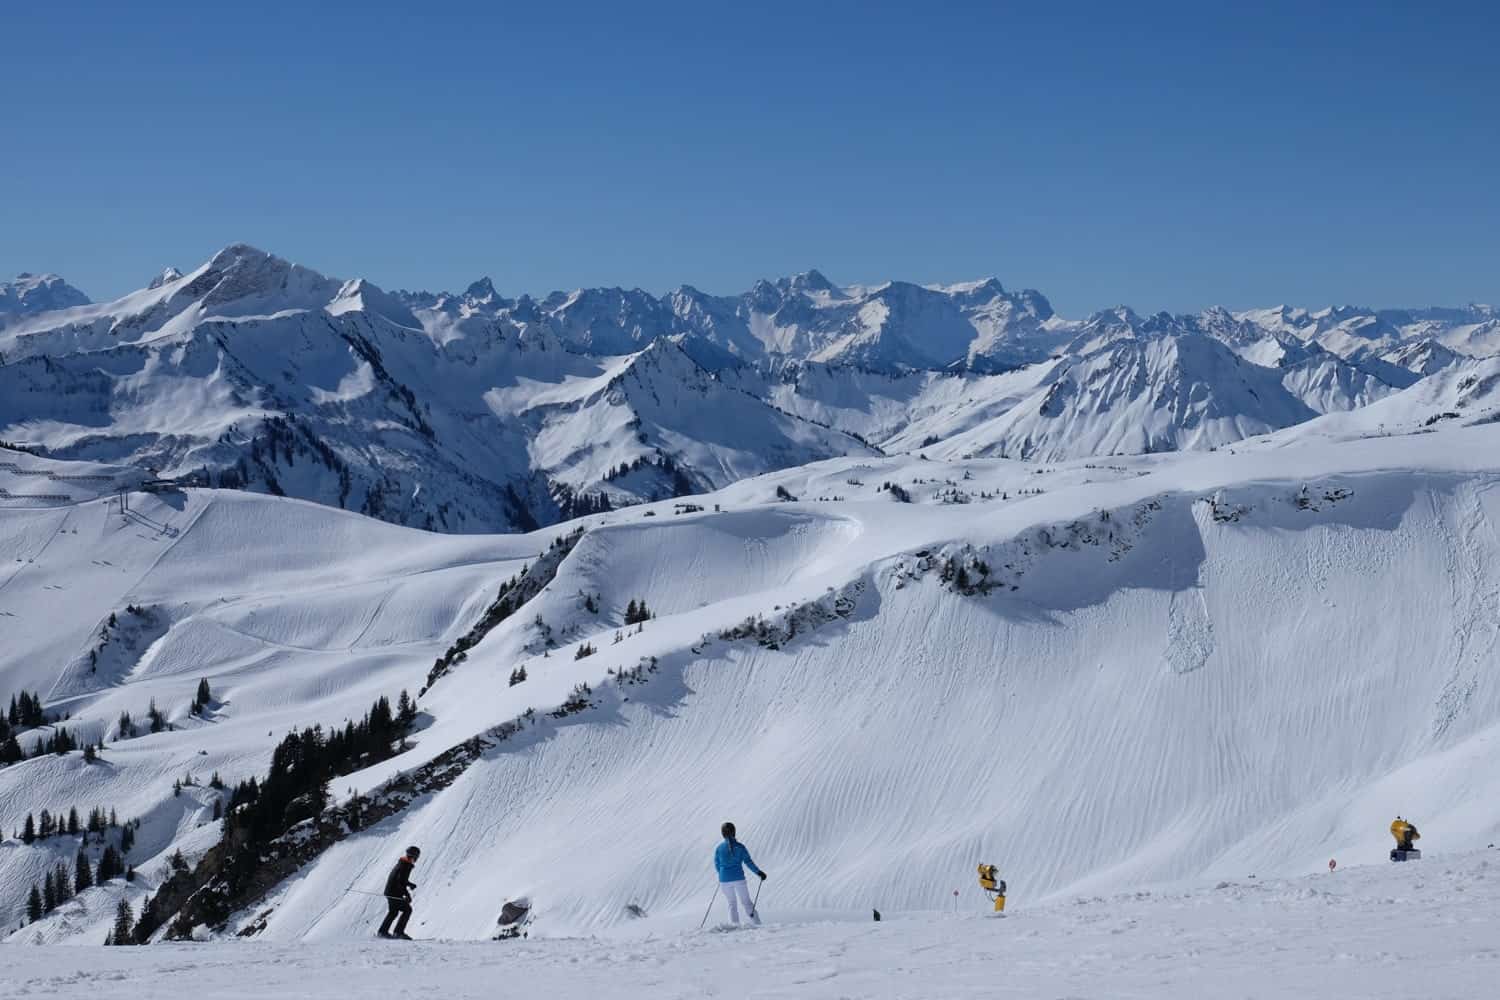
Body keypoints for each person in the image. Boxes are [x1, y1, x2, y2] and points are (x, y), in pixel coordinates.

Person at [714, 821, 766, 925]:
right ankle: (757, 924)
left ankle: (734, 926)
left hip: (724, 880)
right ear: (734, 832)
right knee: (746, 902)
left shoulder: (719, 848)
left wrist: (722, 875)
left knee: (731, 903)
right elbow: (748, 862)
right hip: (738, 879)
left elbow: (717, 864)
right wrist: (759, 872)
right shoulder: (740, 847)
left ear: (723, 833)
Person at [377, 845, 420, 939]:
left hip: (390, 891)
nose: (417, 859)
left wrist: (410, 884)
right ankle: (398, 932)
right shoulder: (405, 865)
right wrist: (407, 895)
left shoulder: (402, 863)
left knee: (393, 911)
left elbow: (401, 880)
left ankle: (382, 932)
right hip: (394, 892)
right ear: (414, 856)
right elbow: (401, 882)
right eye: (417, 856)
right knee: (407, 910)